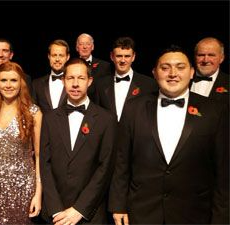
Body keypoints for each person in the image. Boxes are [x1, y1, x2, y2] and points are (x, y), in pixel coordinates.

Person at [109, 45, 229, 224]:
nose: (173, 73)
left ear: (191, 72)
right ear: (154, 73)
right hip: (142, 212)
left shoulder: (215, 111)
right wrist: (118, 205)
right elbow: (121, 160)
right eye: (165, 68)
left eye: (180, 67)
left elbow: (224, 172)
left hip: (195, 214)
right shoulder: (133, 108)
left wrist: (221, 219)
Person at [40, 58, 116, 224]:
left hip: (90, 214)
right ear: (63, 81)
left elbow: (105, 168)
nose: (75, 84)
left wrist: (80, 209)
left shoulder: (106, 119)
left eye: (81, 78)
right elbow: (44, 164)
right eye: (70, 78)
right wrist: (55, 209)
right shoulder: (49, 118)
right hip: (55, 215)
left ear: (89, 81)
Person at [0, 62, 42, 224]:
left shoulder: (34, 113)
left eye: (13, 80)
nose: (8, 85)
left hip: (24, 188)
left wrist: (38, 193)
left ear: (21, 83)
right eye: (4, 80)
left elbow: (39, 156)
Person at [93, 37, 158, 121]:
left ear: (133, 57)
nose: (123, 60)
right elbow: (97, 115)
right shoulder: (100, 84)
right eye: (119, 56)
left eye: (127, 56)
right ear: (112, 56)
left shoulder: (148, 84)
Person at [32, 39, 70, 113]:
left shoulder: (74, 83)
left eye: (61, 55)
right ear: (49, 56)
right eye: (54, 55)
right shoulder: (36, 84)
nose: (57, 59)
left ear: (67, 57)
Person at [190, 37, 229, 105]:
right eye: (201, 55)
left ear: (221, 58)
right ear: (194, 57)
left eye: (211, 55)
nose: (205, 60)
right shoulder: (183, 79)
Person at [75, 33, 112, 103]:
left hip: (97, 108)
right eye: (81, 44)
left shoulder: (104, 66)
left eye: (88, 44)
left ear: (92, 47)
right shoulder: (71, 66)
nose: (84, 47)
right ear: (77, 48)